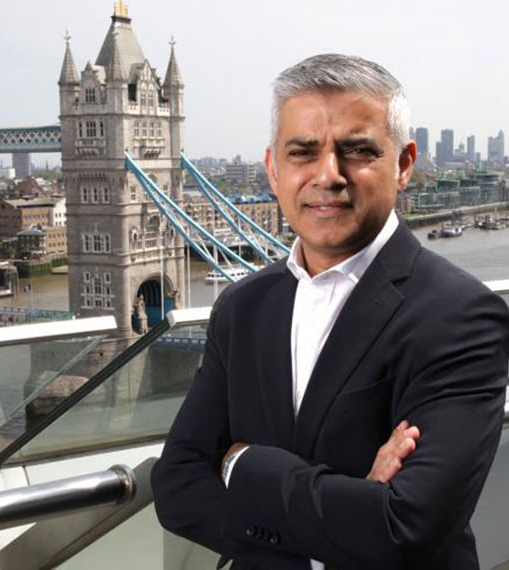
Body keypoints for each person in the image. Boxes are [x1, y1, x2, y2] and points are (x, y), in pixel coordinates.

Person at [151, 54, 509, 570]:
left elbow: (405, 528)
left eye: (357, 150)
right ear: (273, 168)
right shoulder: (242, 307)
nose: (328, 175)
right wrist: (346, 511)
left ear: (404, 164)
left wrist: (241, 463)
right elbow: (177, 487)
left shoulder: (461, 315)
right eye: (303, 152)